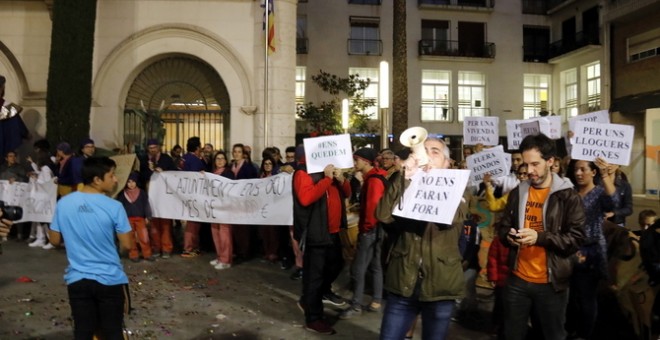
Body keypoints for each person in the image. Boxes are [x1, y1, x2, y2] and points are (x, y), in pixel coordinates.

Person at [376, 137, 469, 340]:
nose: (427, 155)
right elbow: (383, 215)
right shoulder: (405, 181)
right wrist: (405, 177)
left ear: (447, 163)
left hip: (440, 286)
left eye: (434, 151)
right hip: (403, 282)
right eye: (423, 150)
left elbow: (451, 216)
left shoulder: (460, 187)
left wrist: (429, 182)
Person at [495, 133, 586, 340]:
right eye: (526, 165)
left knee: (552, 335)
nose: (529, 171)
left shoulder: (568, 196)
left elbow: (575, 239)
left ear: (551, 162)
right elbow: (503, 227)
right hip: (517, 279)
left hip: (551, 283)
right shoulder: (518, 192)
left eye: (535, 164)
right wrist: (508, 237)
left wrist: (539, 238)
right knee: (512, 334)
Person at [48, 157, 133, 339]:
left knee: (83, 331)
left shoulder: (64, 203)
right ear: (97, 180)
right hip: (110, 279)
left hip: (78, 279)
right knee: (112, 331)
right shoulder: (115, 207)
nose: (116, 180)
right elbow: (127, 245)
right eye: (112, 175)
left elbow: (54, 240)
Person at [293, 145, 350, 335]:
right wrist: (326, 179)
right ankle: (314, 318)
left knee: (336, 265)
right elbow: (306, 198)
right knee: (314, 277)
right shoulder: (303, 173)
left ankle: (309, 299)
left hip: (332, 232)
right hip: (316, 234)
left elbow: (348, 193)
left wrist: (341, 180)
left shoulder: (327, 171)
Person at [564, 157, 618, 339]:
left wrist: (607, 175)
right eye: (576, 170)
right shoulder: (570, 192)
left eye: (583, 169)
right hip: (567, 250)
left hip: (590, 251)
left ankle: (584, 334)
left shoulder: (600, 193)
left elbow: (614, 202)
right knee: (569, 296)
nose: (578, 173)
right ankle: (569, 329)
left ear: (593, 172)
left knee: (586, 295)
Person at [339, 147, 388, 319]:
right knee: (375, 265)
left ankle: (356, 305)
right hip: (379, 229)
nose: (354, 163)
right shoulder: (377, 176)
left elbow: (373, 207)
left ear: (366, 161)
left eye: (357, 160)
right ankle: (376, 301)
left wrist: (365, 228)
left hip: (371, 229)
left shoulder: (373, 180)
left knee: (358, 268)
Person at [140, 139, 177, 258]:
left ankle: (167, 248)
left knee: (166, 223)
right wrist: (150, 171)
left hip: (165, 196)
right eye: (150, 148)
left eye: (155, 147)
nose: (153, 150)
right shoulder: (144, 160)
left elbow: (175, 173)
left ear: (159, 147)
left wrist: (163, 172)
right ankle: (156, 248)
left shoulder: (167, 159)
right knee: (154, 222)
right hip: (151, 195)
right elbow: (141, 176)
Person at [116, 172, 154, 262]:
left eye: (133, 181)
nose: (131, 184)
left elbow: (146, 205)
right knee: (130, 238)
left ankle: (147, 254)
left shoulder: (142, 193)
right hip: (128, 219)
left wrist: (148, 216)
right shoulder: (122, 195)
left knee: (144, 237)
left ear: (136, 181)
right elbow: (119, 207)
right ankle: (133, 255)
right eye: (129, 182)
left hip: (140, 218)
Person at [180, 137, 206, 258]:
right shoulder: (195, 161)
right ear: (197, 148)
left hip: (183, 193)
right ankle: (189, 247)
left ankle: (191, 246)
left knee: (191, 222)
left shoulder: (183, 158)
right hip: (194, 194)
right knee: (193, 223)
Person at [26, 151, 56, 249]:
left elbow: (47, 182)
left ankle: (51, 240)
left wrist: (36, 179)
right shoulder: (44, 168)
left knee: (45, 220)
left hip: (45, 197)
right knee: (39, 218)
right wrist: (33, 167)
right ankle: (41, 238)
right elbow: (41, 174)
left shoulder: (46, 168)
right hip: (41, 196)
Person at [209, 151, 233, 270]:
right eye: (217, 158)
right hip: (214, 207)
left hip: (224, 208)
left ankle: (226, 259)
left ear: (226, 161)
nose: (219, 161)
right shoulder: (212, 173)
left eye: (222, 158)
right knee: (215, 232)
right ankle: (219, 256)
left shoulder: (229, 173)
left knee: (224, 233)